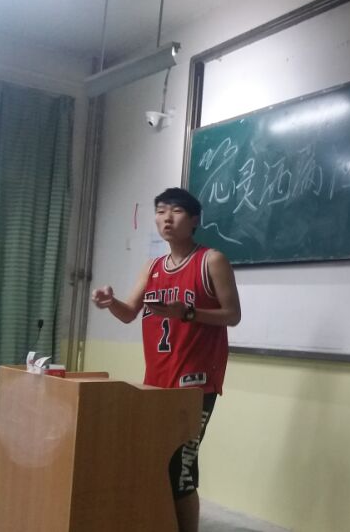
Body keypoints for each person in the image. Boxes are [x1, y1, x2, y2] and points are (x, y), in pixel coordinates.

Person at [91, 187, 241, 532]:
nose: (166, 219)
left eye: (175, 211)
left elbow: (232, 315)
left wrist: (186, 313)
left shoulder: (211, 260)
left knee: (181, 471)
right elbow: (129, 312)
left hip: (196, 384)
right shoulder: (153, 266)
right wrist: (110, 302)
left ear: (194, 219)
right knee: (154, 462)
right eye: (160, 211)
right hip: (157, 382)